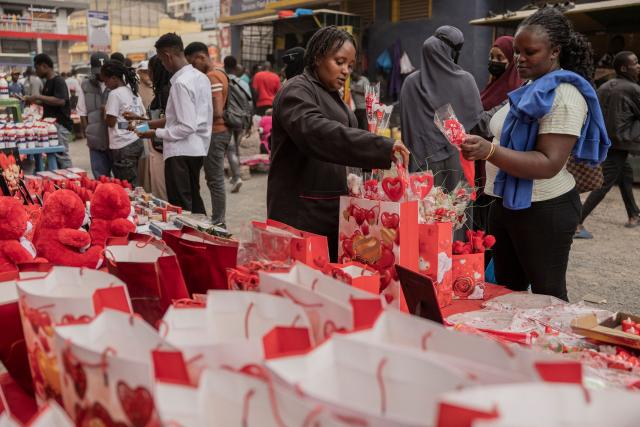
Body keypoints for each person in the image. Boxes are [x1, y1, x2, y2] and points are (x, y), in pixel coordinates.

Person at [461, 7, 610, 301]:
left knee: (548, 297)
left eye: (529, 52)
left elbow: (548, 163)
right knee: (506, 293)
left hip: (544, 210)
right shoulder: (531, 87)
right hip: (506, 203)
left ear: (554, 51)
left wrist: (489, 150)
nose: (519, 59)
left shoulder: (564, 96)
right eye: (516, 51)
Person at [267, 26, 410, 261]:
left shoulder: (335, 97)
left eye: (350, 66)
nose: (345, 71)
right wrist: (380, 146)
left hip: (332, 211)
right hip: (300, 214)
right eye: (339, 61)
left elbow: (346, 145)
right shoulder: (296, 91)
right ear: (316, 57)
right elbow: (320, 133)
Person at [399, 26, 483, 191]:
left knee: (426, 212)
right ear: (451, 53)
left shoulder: (410, 83)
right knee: (456, 213)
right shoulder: (466, 81)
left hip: (422, 164)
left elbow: (407, 130)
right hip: (458, 162)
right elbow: (479, 124)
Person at [136, 33, 212, 214]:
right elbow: (178, 117)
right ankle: (203, 237)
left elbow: (186, 126)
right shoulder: (201, 77)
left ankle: (190, 239)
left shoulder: (180, 83)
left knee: (182, 207)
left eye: (162, 60)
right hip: (197, 148)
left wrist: (155, 133)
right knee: (194, 200)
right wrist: (149, 124)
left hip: (180, 151)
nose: (163, 65)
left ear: (168, 56)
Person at [576, 51, 640, 238]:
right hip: (622, 143)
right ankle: (577, 223)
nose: (638, 66)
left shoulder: (604, 86)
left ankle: (633, 214)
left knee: (625, 174)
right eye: (635, 63)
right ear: (623, 68)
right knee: (603, 184)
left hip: (606, 141)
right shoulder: (633, 89)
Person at [474, 35, 523, 231]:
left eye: (500, 58)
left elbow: (483, 122)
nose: (494, 62)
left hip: (494, 159)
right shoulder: (493, 84)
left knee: (489, 219)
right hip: (479, 156)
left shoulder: (514, 91)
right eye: (492, 56)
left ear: (512, 61)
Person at [185, 41, 233, 225]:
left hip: (215, 132)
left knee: (215, 180)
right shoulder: (221, 73)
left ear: (201, 57)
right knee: (215, 178)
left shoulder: (212, 77)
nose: (193, 67)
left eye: (192, 63)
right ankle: (219, 219)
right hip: (221, 132)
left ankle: (219, 221)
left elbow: (217, 110)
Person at [24, 54, 73, 168]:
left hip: (60, 125)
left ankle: (73, 182)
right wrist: (31, 100)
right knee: (54, 156)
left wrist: (38, 96)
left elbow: (61, 101)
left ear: (44, 66)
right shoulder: (48, 82)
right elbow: (48, 102)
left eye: (37, 68)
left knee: (62, 156)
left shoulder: (58, 81)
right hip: (51, 126)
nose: (36, 71)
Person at [102, 60, 145, 185]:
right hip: (137, 141)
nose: (105, 84)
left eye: (106, 81)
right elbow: (140, 119)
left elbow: (111, 122)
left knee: (127, 185)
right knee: (135, 181)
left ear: (114, 78)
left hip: (122, 146)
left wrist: (104, 112)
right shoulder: (132, 91)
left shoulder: (114, 94)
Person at [80, 52, 112, 179]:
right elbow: (82, 112)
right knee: (100, 178)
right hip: (95, 138)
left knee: (119, 180)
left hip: (115, 139)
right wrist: (87, 133)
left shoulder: (117, 82)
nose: (101, 75)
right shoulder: (85, 85)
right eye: (98, 71)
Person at [223, 55, 252, 194]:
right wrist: (249, 122)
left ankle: (237, 177)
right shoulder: (243, 82)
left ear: (224, 66)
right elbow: (250, 102)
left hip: (229, 119)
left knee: (230, 149)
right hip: (242, 119)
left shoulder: (223, 80)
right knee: (236, 149)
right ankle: (236, 176)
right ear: (236, 67)